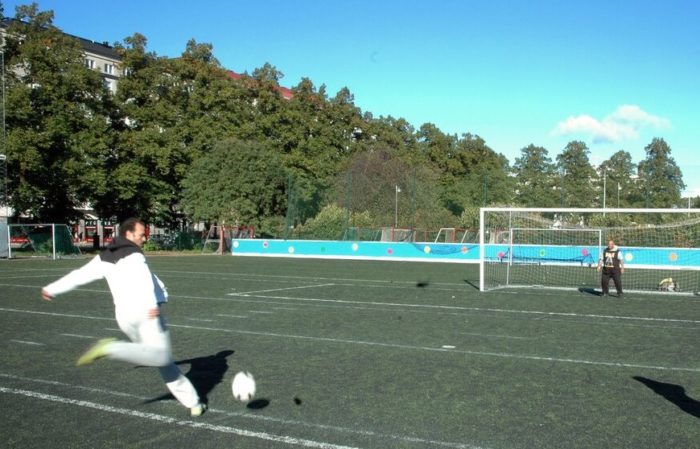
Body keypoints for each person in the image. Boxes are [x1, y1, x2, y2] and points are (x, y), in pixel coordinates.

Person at [41, 218, 206, 417]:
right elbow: (143, 278)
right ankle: (111, 348)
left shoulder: (105, 256)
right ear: (128, 234)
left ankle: (193, 402)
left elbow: (80, 275)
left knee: (162, 361)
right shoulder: (135, 255)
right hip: (146, 313)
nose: (144, 238)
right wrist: (152, 304)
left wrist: (52, 289)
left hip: (124, 317)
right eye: (141, 234)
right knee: (161, 356)